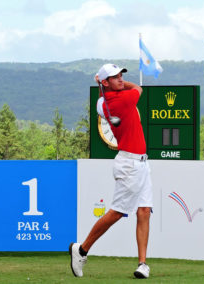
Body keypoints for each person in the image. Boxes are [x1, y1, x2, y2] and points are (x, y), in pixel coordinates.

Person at [69, 63, 153, 279]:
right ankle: (82, 250)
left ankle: (142, 264)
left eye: (120, 76)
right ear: (106, 82)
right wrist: (115, 84)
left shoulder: (102, 102)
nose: (121, 80)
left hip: (141, 163)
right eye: (115, 77)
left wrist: (102, 84)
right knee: (116, 212)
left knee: (144, 211)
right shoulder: (124, 99)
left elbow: (102, 97)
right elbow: (139, 88)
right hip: (129, 164)